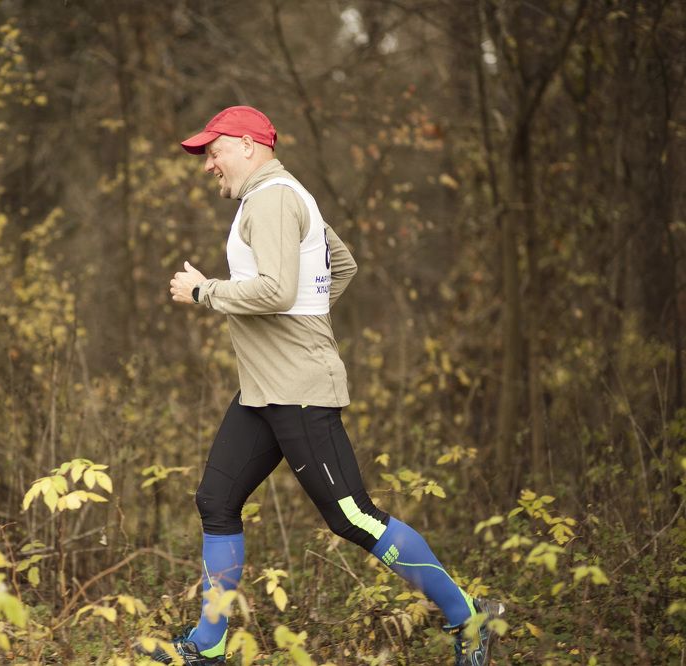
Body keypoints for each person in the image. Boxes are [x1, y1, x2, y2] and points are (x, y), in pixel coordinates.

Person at [138, 106, 504, 666]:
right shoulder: (281, 195)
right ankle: (208, 646)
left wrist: (204, 291)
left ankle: (469, 617)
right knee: (216, 500)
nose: (208, 164)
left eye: (214, 151)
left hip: (298, 389)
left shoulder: (272, 199)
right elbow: (342, 264)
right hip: (264, 390)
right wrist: (300, 322)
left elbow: (277, 291)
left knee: (353, 515)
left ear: (247, 145)